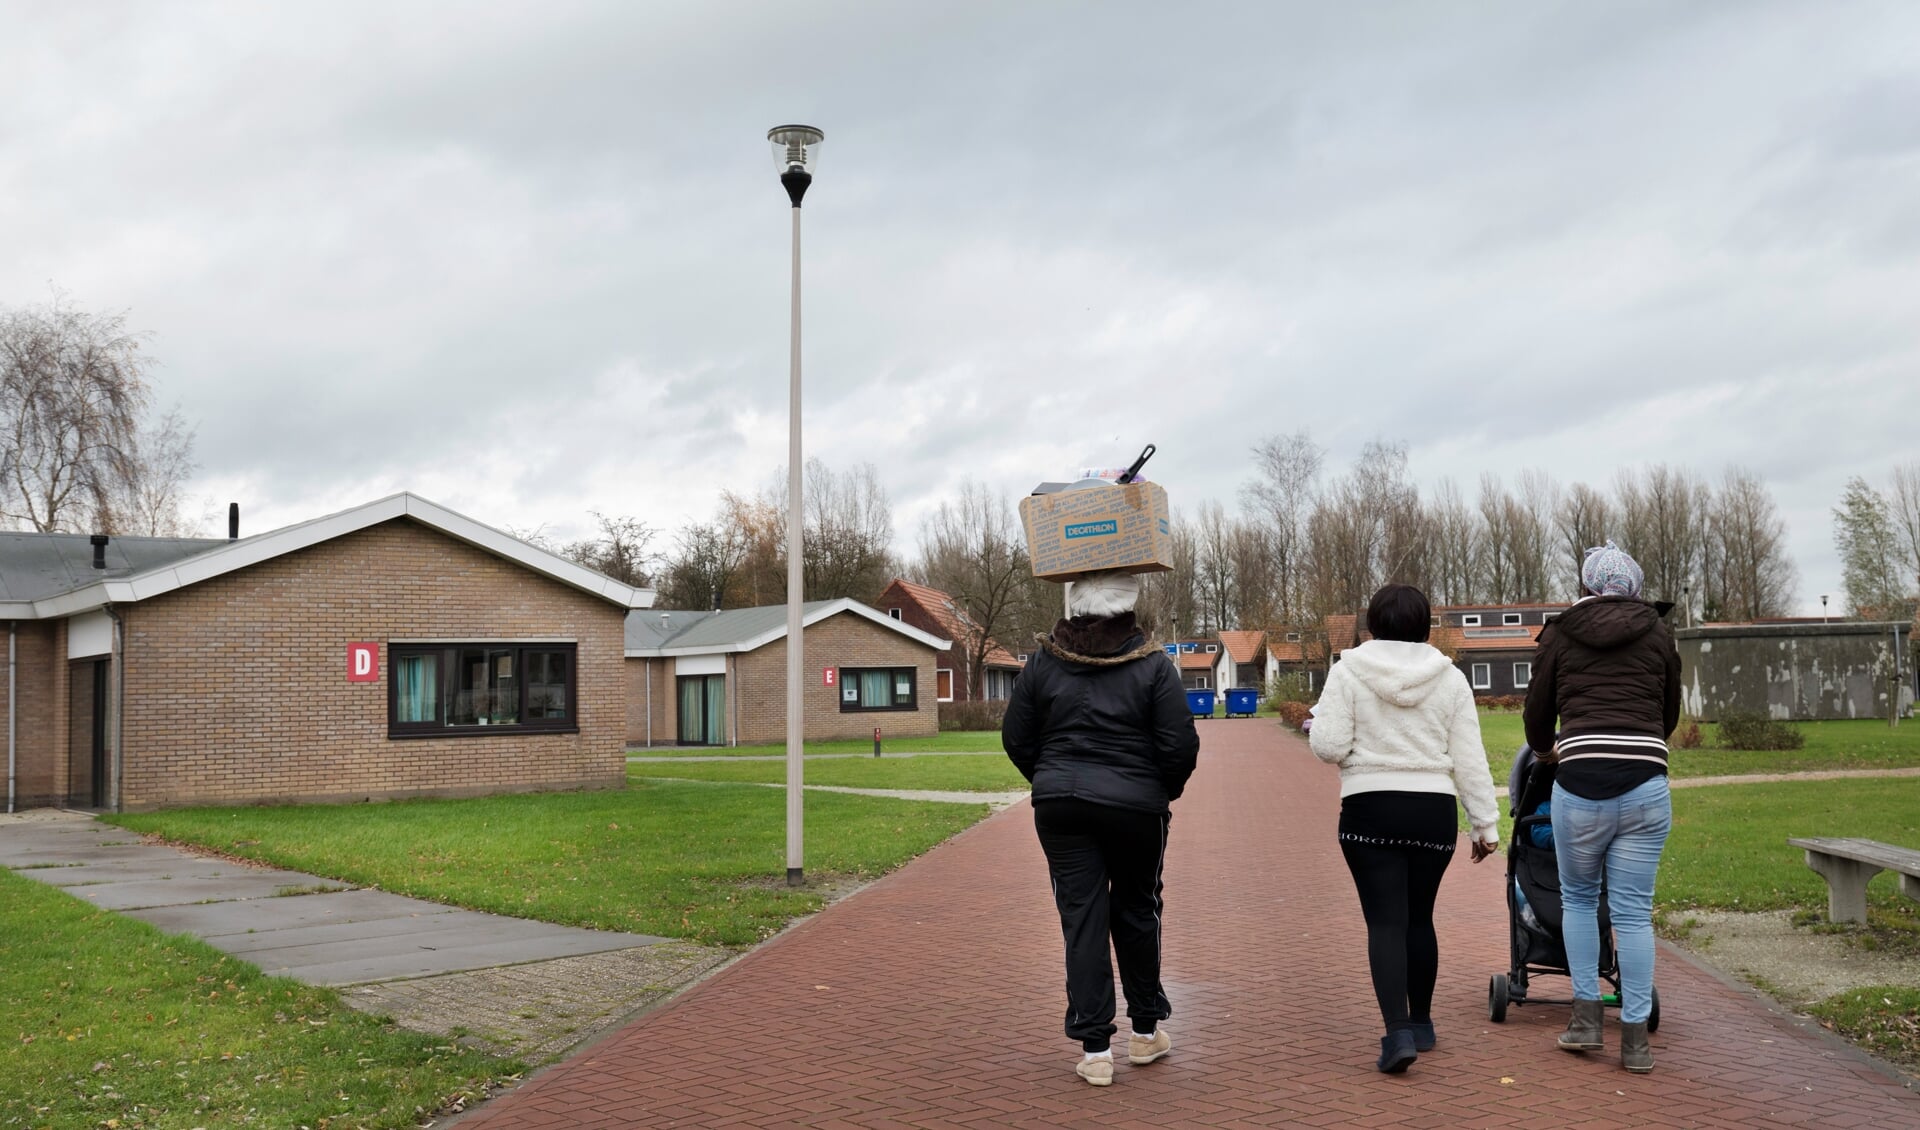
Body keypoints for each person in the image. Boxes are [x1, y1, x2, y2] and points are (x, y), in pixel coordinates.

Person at [1002, 569, 1200, 1088]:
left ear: (1073, 604)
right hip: (1136, 810)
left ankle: (1094, 1051)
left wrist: (1049, 779)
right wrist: (1158, 792)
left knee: (1080, 917)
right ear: (1129, 603)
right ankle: (1144, 1031)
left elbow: (1017, 737)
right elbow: (1180, 747)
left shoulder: (1044, 663)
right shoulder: (1155, 665)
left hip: (1061, 807)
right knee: (1137, 908)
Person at [1309, 584, 1501, 1074]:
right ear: (1425, 625)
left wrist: (1325, 729)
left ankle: (1396, 1034)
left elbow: (1330, 745)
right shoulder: (1450, 677)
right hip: (1432, 812)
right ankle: (1422, 1022)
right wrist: (1484, 824)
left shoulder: (1347, 670)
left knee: (1385, 922)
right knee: (1420, 918)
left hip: (1369, 807)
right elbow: (1468, 757)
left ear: (1372, 622)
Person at [1523, 541, 1680, 1075]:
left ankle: (1586, 1021)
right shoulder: (1659, 633)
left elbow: (1537, 711)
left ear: (1587, 586)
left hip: (1580, 784)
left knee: (1579, 900)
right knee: (1634, 914)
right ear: (1635, 588)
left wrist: (1547, 752)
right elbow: (1670, 711)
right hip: (1644, 785)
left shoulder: (1562, 632)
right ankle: (1635, 1041)